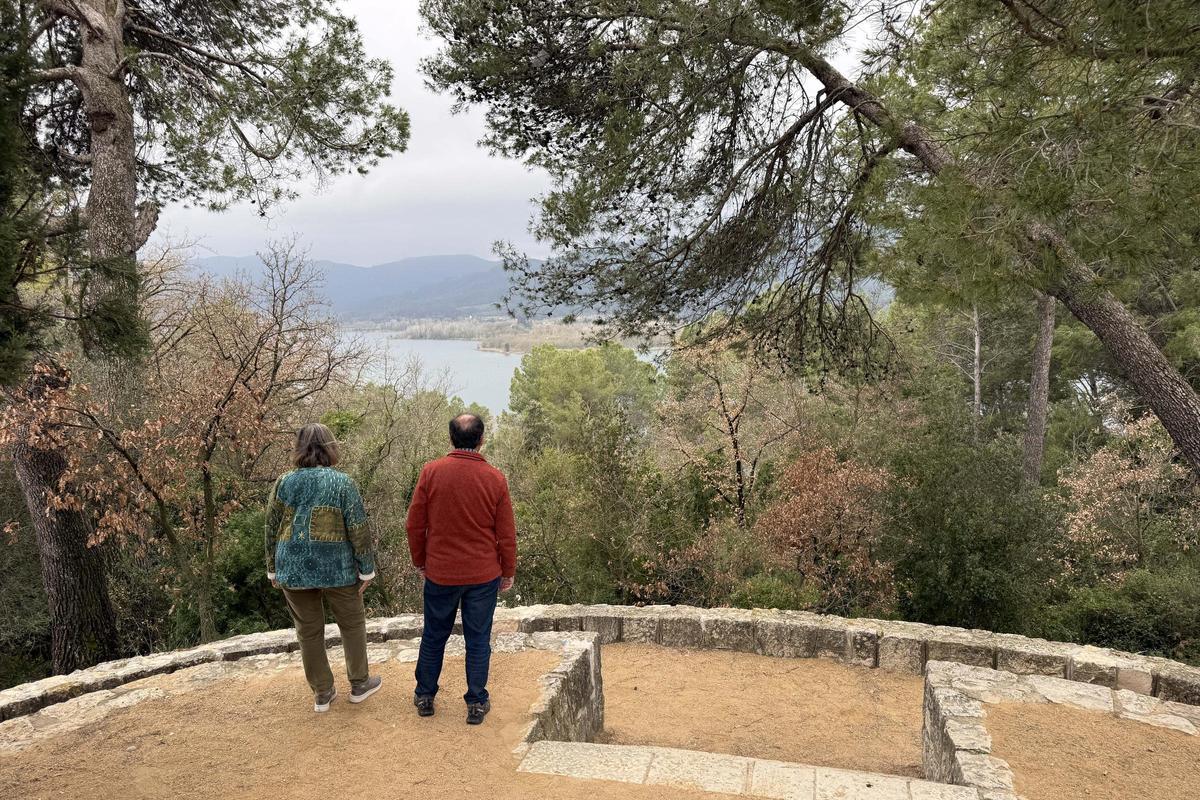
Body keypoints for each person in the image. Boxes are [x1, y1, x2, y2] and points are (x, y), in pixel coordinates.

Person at [406, 413, 517, 725]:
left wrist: (421, 561)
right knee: (478, 638)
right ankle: (476, 702)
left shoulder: (431, 472)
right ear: (481, 440)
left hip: (441, 572)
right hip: (483, 574)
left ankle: (425, 695)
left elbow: (415, 524)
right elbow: (506, 533)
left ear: (451, 438)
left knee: (434, 634)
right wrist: (507, 570)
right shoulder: (495, 478)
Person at [265, 422, 382, 712]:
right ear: (330, 447)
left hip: (291, 566)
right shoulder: (343, 483)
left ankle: (322, 692)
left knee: (308, 631)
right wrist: (366, 568)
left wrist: (272, 568)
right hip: (338, 567)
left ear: (299, 449)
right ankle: (359, 684)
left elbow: (270, 527)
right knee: (352, 624)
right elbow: (358, 527)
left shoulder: (284, 482)